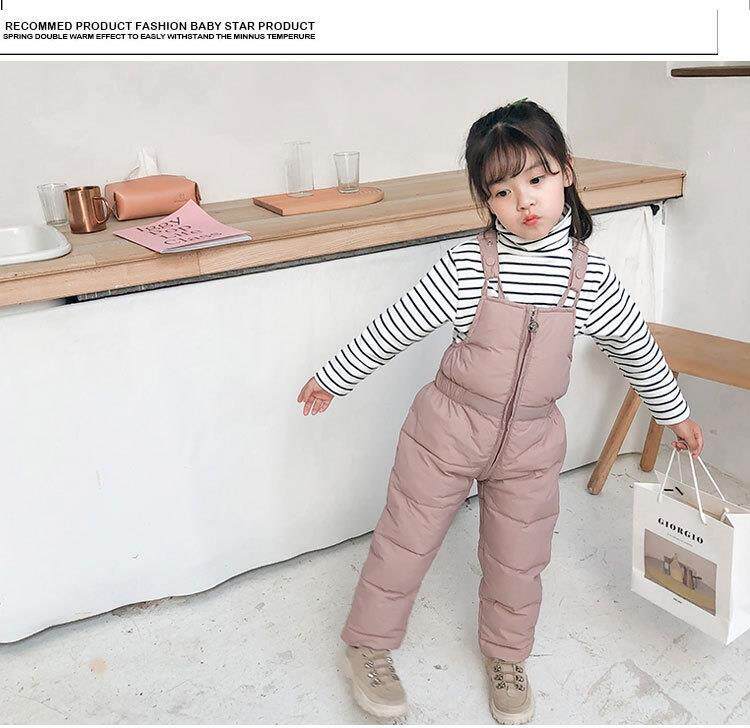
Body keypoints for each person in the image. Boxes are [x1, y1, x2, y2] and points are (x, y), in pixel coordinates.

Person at [297, 98, 703, 724]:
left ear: (566, 172)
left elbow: (634, 347)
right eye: (503, 191)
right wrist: (333, 377)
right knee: (406, 542)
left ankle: (507, 657)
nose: (524, 201)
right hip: (447, 430)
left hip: (532, 444)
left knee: (520, 559)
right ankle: (368, 646)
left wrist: (674, 415)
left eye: (537, 179)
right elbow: (396, 326)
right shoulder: (469, 264)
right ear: (486, 201)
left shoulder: (589, 277)